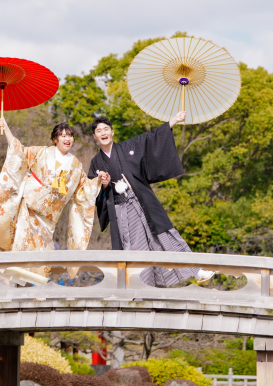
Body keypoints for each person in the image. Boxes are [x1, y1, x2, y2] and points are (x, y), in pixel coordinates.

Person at [87, 113, 213, 288]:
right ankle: (139, 286)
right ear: (94, 136)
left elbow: (149, 139)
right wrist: (103, 184)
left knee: (164, 235)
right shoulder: (96, 163)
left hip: (140, 201)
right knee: (135, 247)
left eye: (106, 129)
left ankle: (195, 270)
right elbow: (91, 192)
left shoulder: (127, 147)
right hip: (121, 212)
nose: (103, 133)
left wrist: (173, 121)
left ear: (112, 132)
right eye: (98, 131)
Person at [0, 118, 101, 283]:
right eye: (63, 136)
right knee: (21, 242)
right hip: (30, 207)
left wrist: (98, 181)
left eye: (70, 136)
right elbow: (19, 152)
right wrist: (7, 129)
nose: (67, 139)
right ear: (55, 139)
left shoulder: (76, 165)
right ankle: (7, 282)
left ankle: (36, 287)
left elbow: (84, 188)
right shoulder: (42, 152)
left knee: (44, 250)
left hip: (49, 217)